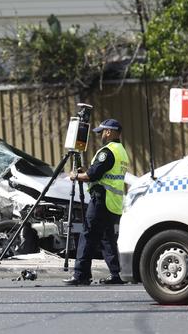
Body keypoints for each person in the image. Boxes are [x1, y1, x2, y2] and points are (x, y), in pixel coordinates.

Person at [63, 119, 129, 286]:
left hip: (102, 199)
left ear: (109, 132)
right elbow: (102, 172)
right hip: (113, 202)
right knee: (107, 238)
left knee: (88, 235)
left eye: (102, 132)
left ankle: (81, 275)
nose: (100, 135)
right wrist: (87, 171)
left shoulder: (107, 152)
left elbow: (93, 176)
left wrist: (75, 176)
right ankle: (116, 274)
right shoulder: (121, 151)